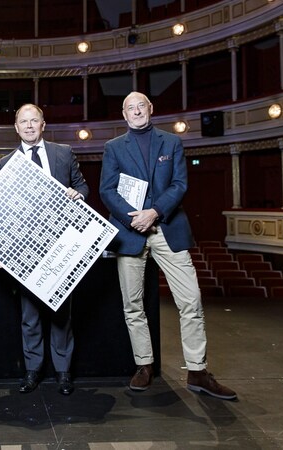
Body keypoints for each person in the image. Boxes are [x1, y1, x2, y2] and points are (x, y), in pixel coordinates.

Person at [99, 91, 237, 400]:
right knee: (133, 305)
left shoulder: (171, 142)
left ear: (151, 109)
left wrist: (155, 212)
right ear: (124, 115)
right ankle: (144, 365)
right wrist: (132, 218)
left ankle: (198, 371)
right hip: (130, 230)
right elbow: (107, 190)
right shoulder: (113, 148)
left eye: (141, 106)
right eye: (130, 108)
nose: (136, 112)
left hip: (167, 227)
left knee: (191, 300)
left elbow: (180, 185)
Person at [0, 104, 89, 396]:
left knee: (62, 311)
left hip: (61, 244)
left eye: (33, 120)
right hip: (27, 248)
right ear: (16, 127)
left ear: (43, 124)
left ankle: (63, 373)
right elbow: (3, 211)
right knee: (30, 314)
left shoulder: (63, 153)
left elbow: (83, 188)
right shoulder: (6, 162)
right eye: (23, 121)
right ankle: (32, 371)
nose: (28, 126)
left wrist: (78, 195)